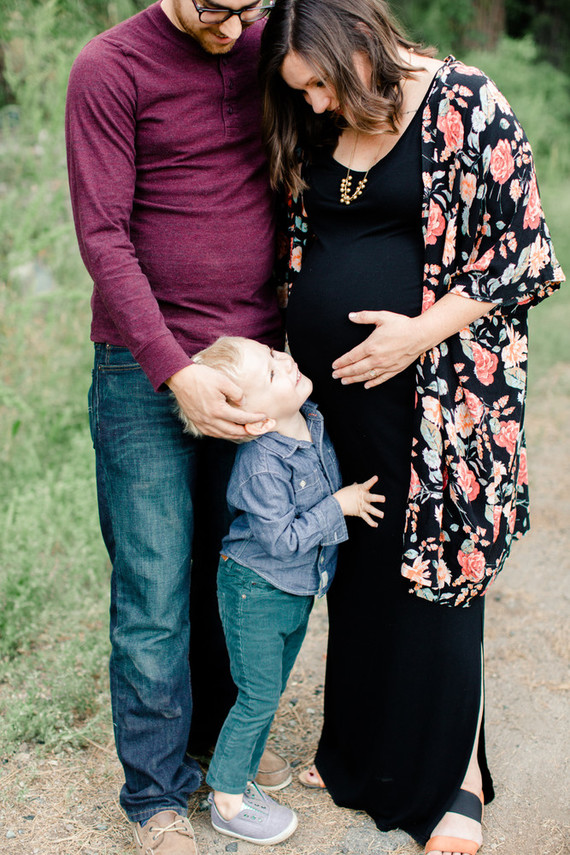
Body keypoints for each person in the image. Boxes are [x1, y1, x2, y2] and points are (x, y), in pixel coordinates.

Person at [258, 1, 565, 853]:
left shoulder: (465, 101)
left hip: (436, 391)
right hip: (335, 396)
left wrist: (415, 334)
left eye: (319, 81)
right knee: (361, 564)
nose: (313, 103)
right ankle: (358, 749)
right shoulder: (324, 123)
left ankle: (457, 777)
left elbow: (525, 250)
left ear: (359, 40)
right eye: (300, 90)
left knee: (440, 563)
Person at [65, 2, 292, 853]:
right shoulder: (109, 68)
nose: (234, 26)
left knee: (235, 571)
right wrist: (175, 370)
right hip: (142, 369)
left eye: (250, 6)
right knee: (154, 588)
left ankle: (212, 754)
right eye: (214, 6)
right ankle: (156, 797)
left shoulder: (276, 42)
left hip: (256, 360)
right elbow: (102, 235)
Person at [176, 335, 384, 844]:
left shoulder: (309, 419)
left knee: (269, 693)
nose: (285, 361)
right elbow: (283, 539)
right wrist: (340, 505)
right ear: (257, 422)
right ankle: (226, 797)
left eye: (273, 355)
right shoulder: (262, 465)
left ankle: (240, 775)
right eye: (270, 373)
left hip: (292, 591)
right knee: (257, 697)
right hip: (257, 590)